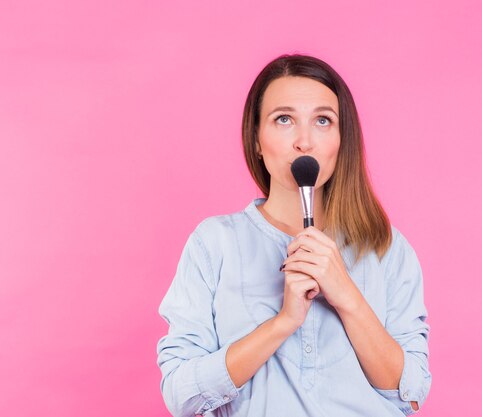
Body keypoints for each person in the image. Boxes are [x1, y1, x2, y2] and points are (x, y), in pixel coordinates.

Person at [156, 54, 432, 417]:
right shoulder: (214, 244)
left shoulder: (387, 248)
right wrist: (284, 321)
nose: (305, 141)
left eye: (322, 120)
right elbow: (181, 396)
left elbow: (410, 394)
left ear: (341, 138)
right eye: (283, 119)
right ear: (256, 138)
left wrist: (346, 295)